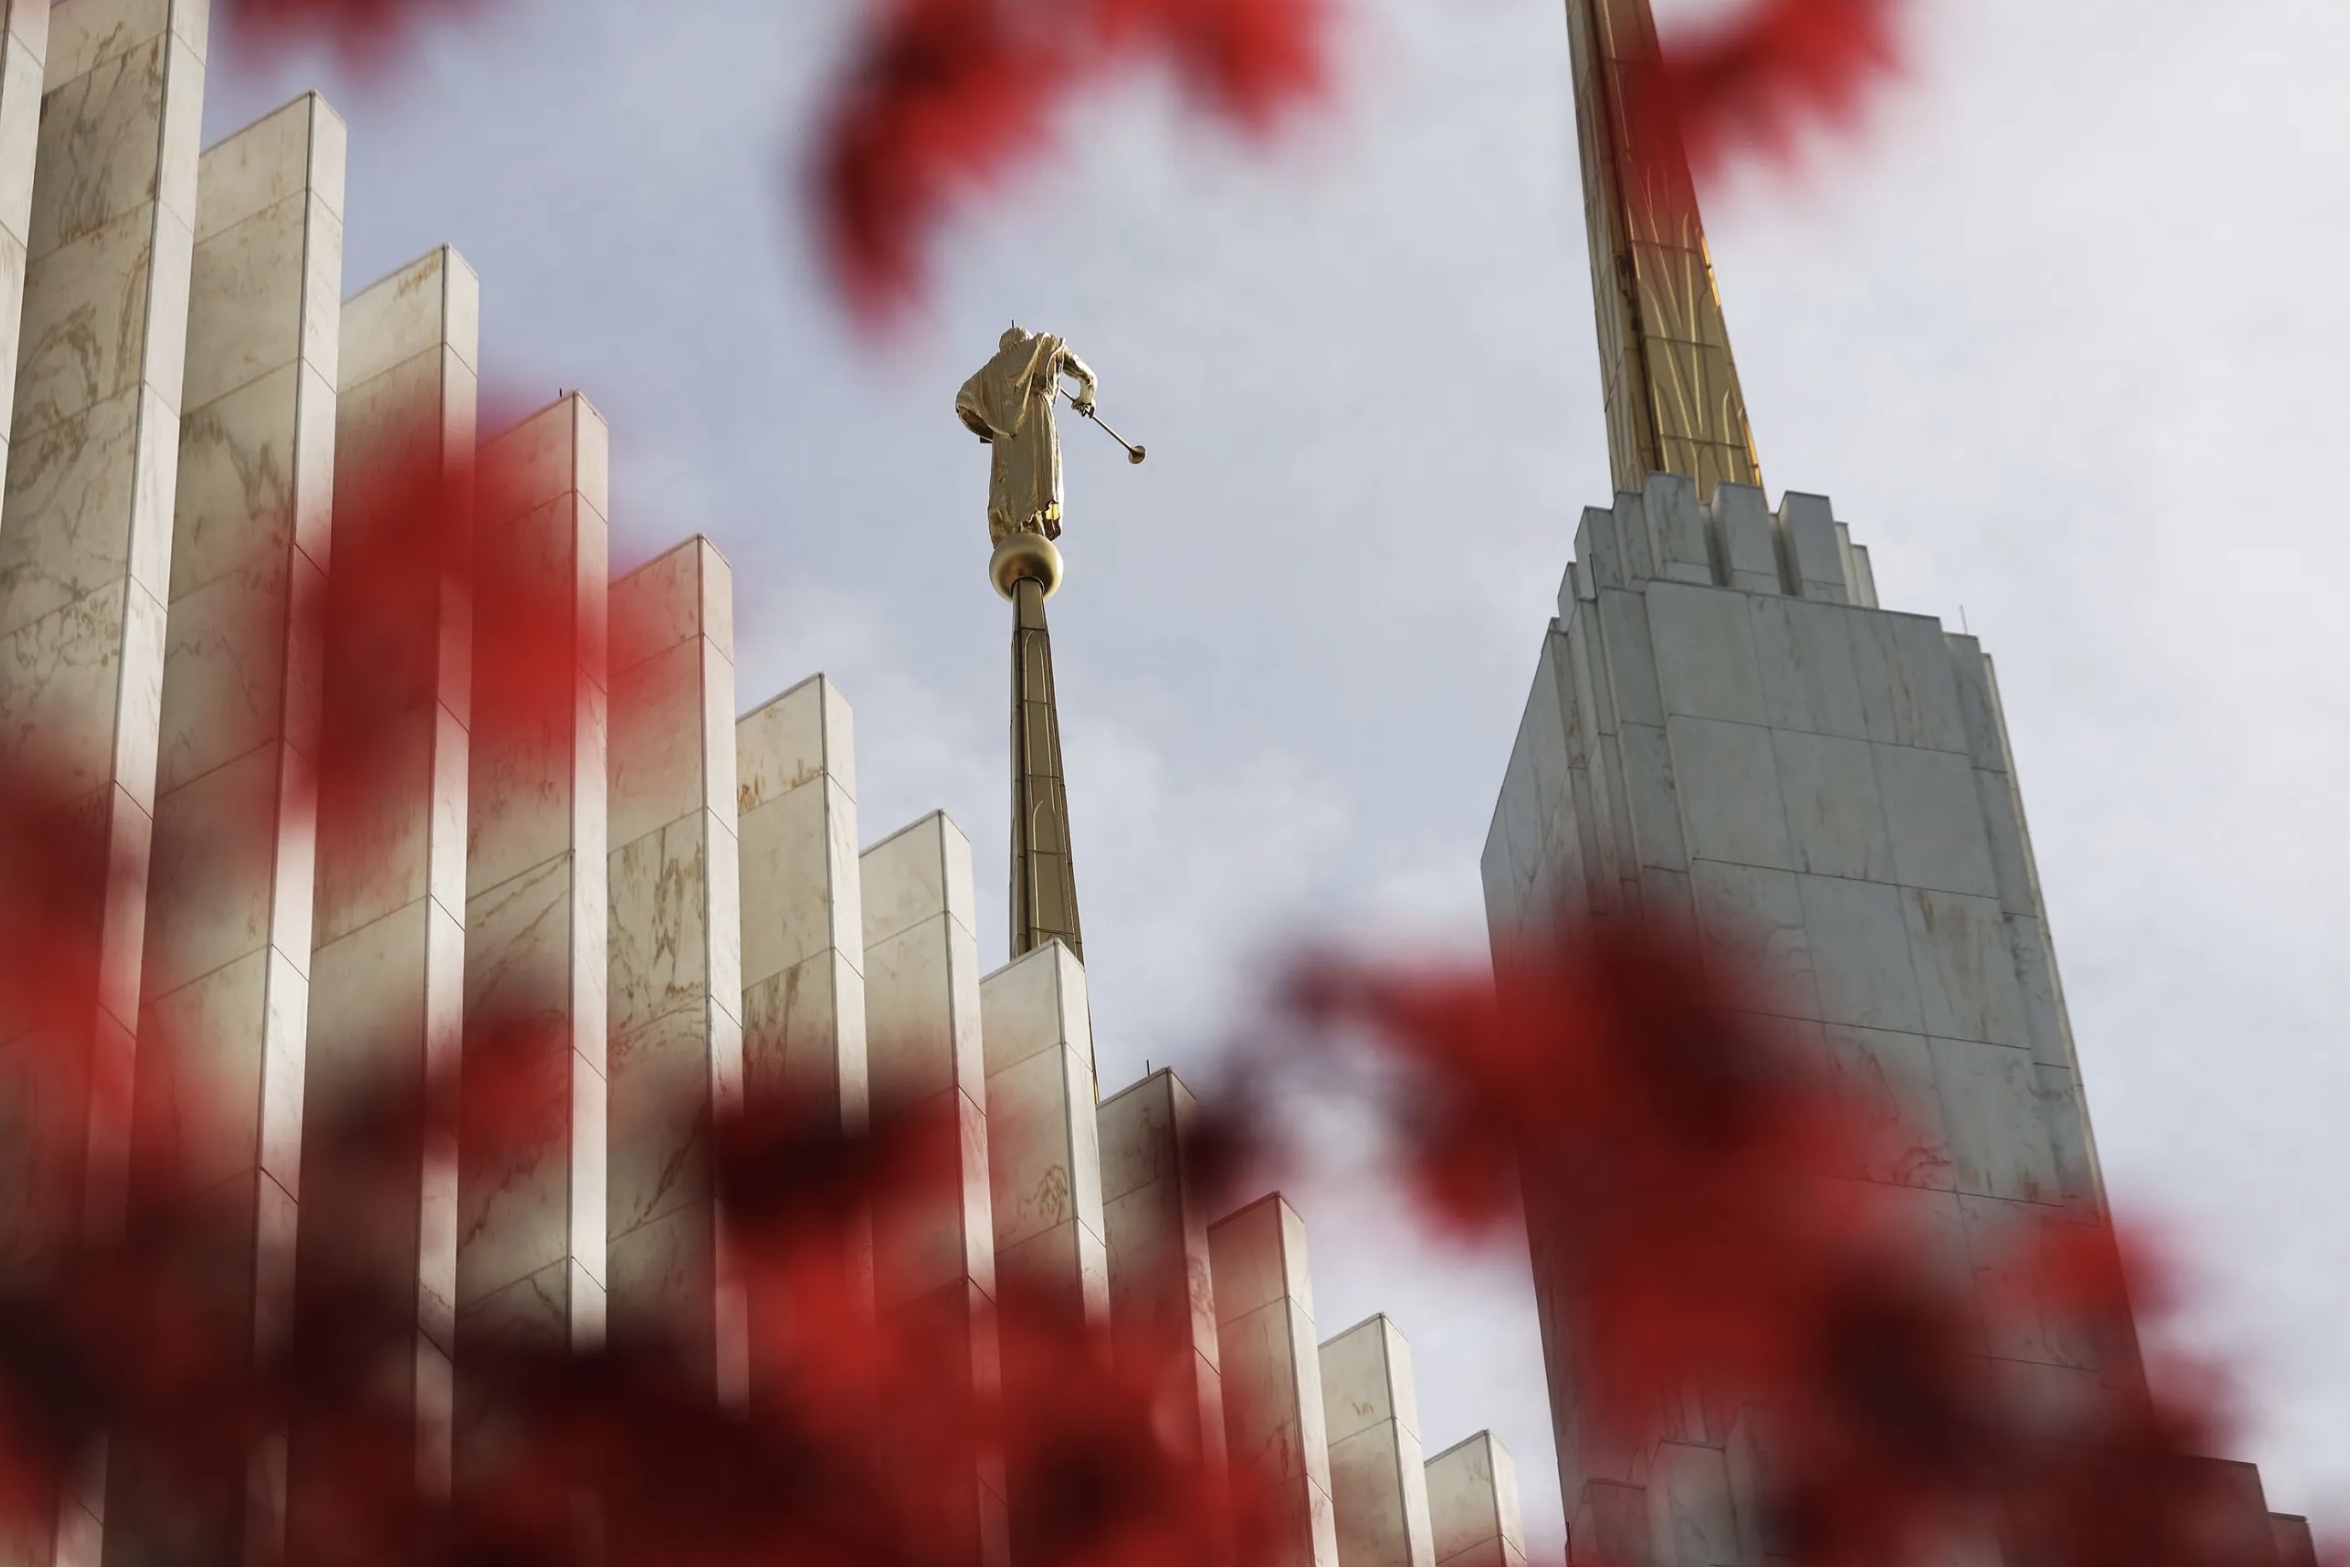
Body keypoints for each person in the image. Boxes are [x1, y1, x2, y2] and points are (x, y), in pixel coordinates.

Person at [955, 326, 1098, 546]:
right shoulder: (1042, 345)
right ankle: (1034, 524)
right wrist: (1086, 398)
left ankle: (1014, 529)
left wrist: (993, 428)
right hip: (1037, 421)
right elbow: (1087, 376)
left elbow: (963, 404)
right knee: (1036, 490)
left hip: (1006, 440)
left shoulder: (990, 372)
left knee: (1010, 496)